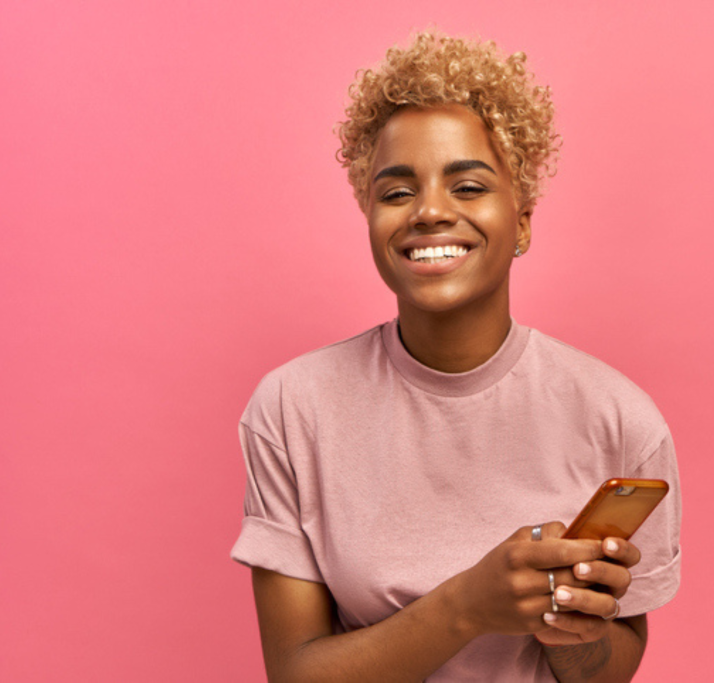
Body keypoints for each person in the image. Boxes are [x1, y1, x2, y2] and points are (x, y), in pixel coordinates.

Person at [230, 31, 681, 682]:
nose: (431, 212)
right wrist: (469, 604)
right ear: (370, 217)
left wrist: (564, 627)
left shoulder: (620, 418)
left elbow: (605, 672)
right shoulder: (292, 408)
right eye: (395, 192)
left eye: (467, 187)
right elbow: (295, 673)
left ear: (522, 220)